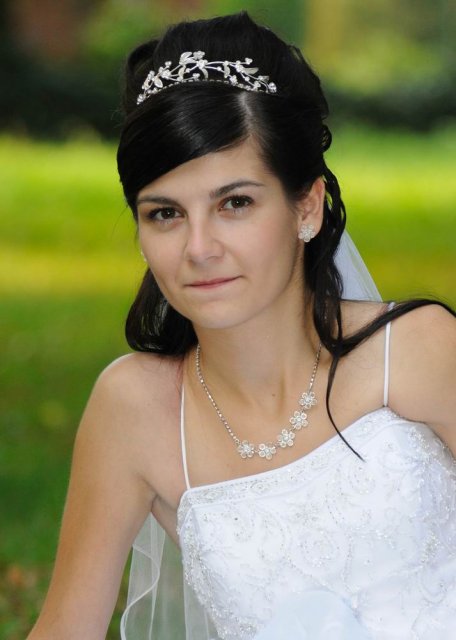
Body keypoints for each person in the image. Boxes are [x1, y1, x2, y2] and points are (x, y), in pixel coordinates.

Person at [27, 11, 456, 640]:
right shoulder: (134, 409)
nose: (199, 248)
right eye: (165, 213)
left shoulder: (417, 349)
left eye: (235, 203)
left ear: (306, 207)